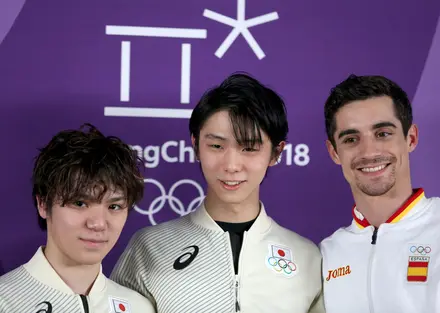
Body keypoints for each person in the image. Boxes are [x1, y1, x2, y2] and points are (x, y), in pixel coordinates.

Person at [111, 73, 325, 313]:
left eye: (249, 148)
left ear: (276, 153)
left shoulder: (307, 257)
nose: (231, 165)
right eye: (216, 146)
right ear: (195, 146)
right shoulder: (149, 247)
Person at [320, 74, 440, 312]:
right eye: (351, 139)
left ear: (410, 138)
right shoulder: (325, 255)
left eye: (383, 134)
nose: (369, 152)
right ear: (334, 153)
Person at [0, 124, 155, 313]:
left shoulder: (139, 307)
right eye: (80, 203)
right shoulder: (5, 301)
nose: (98, 224)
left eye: (114, 206)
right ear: (43, 204)